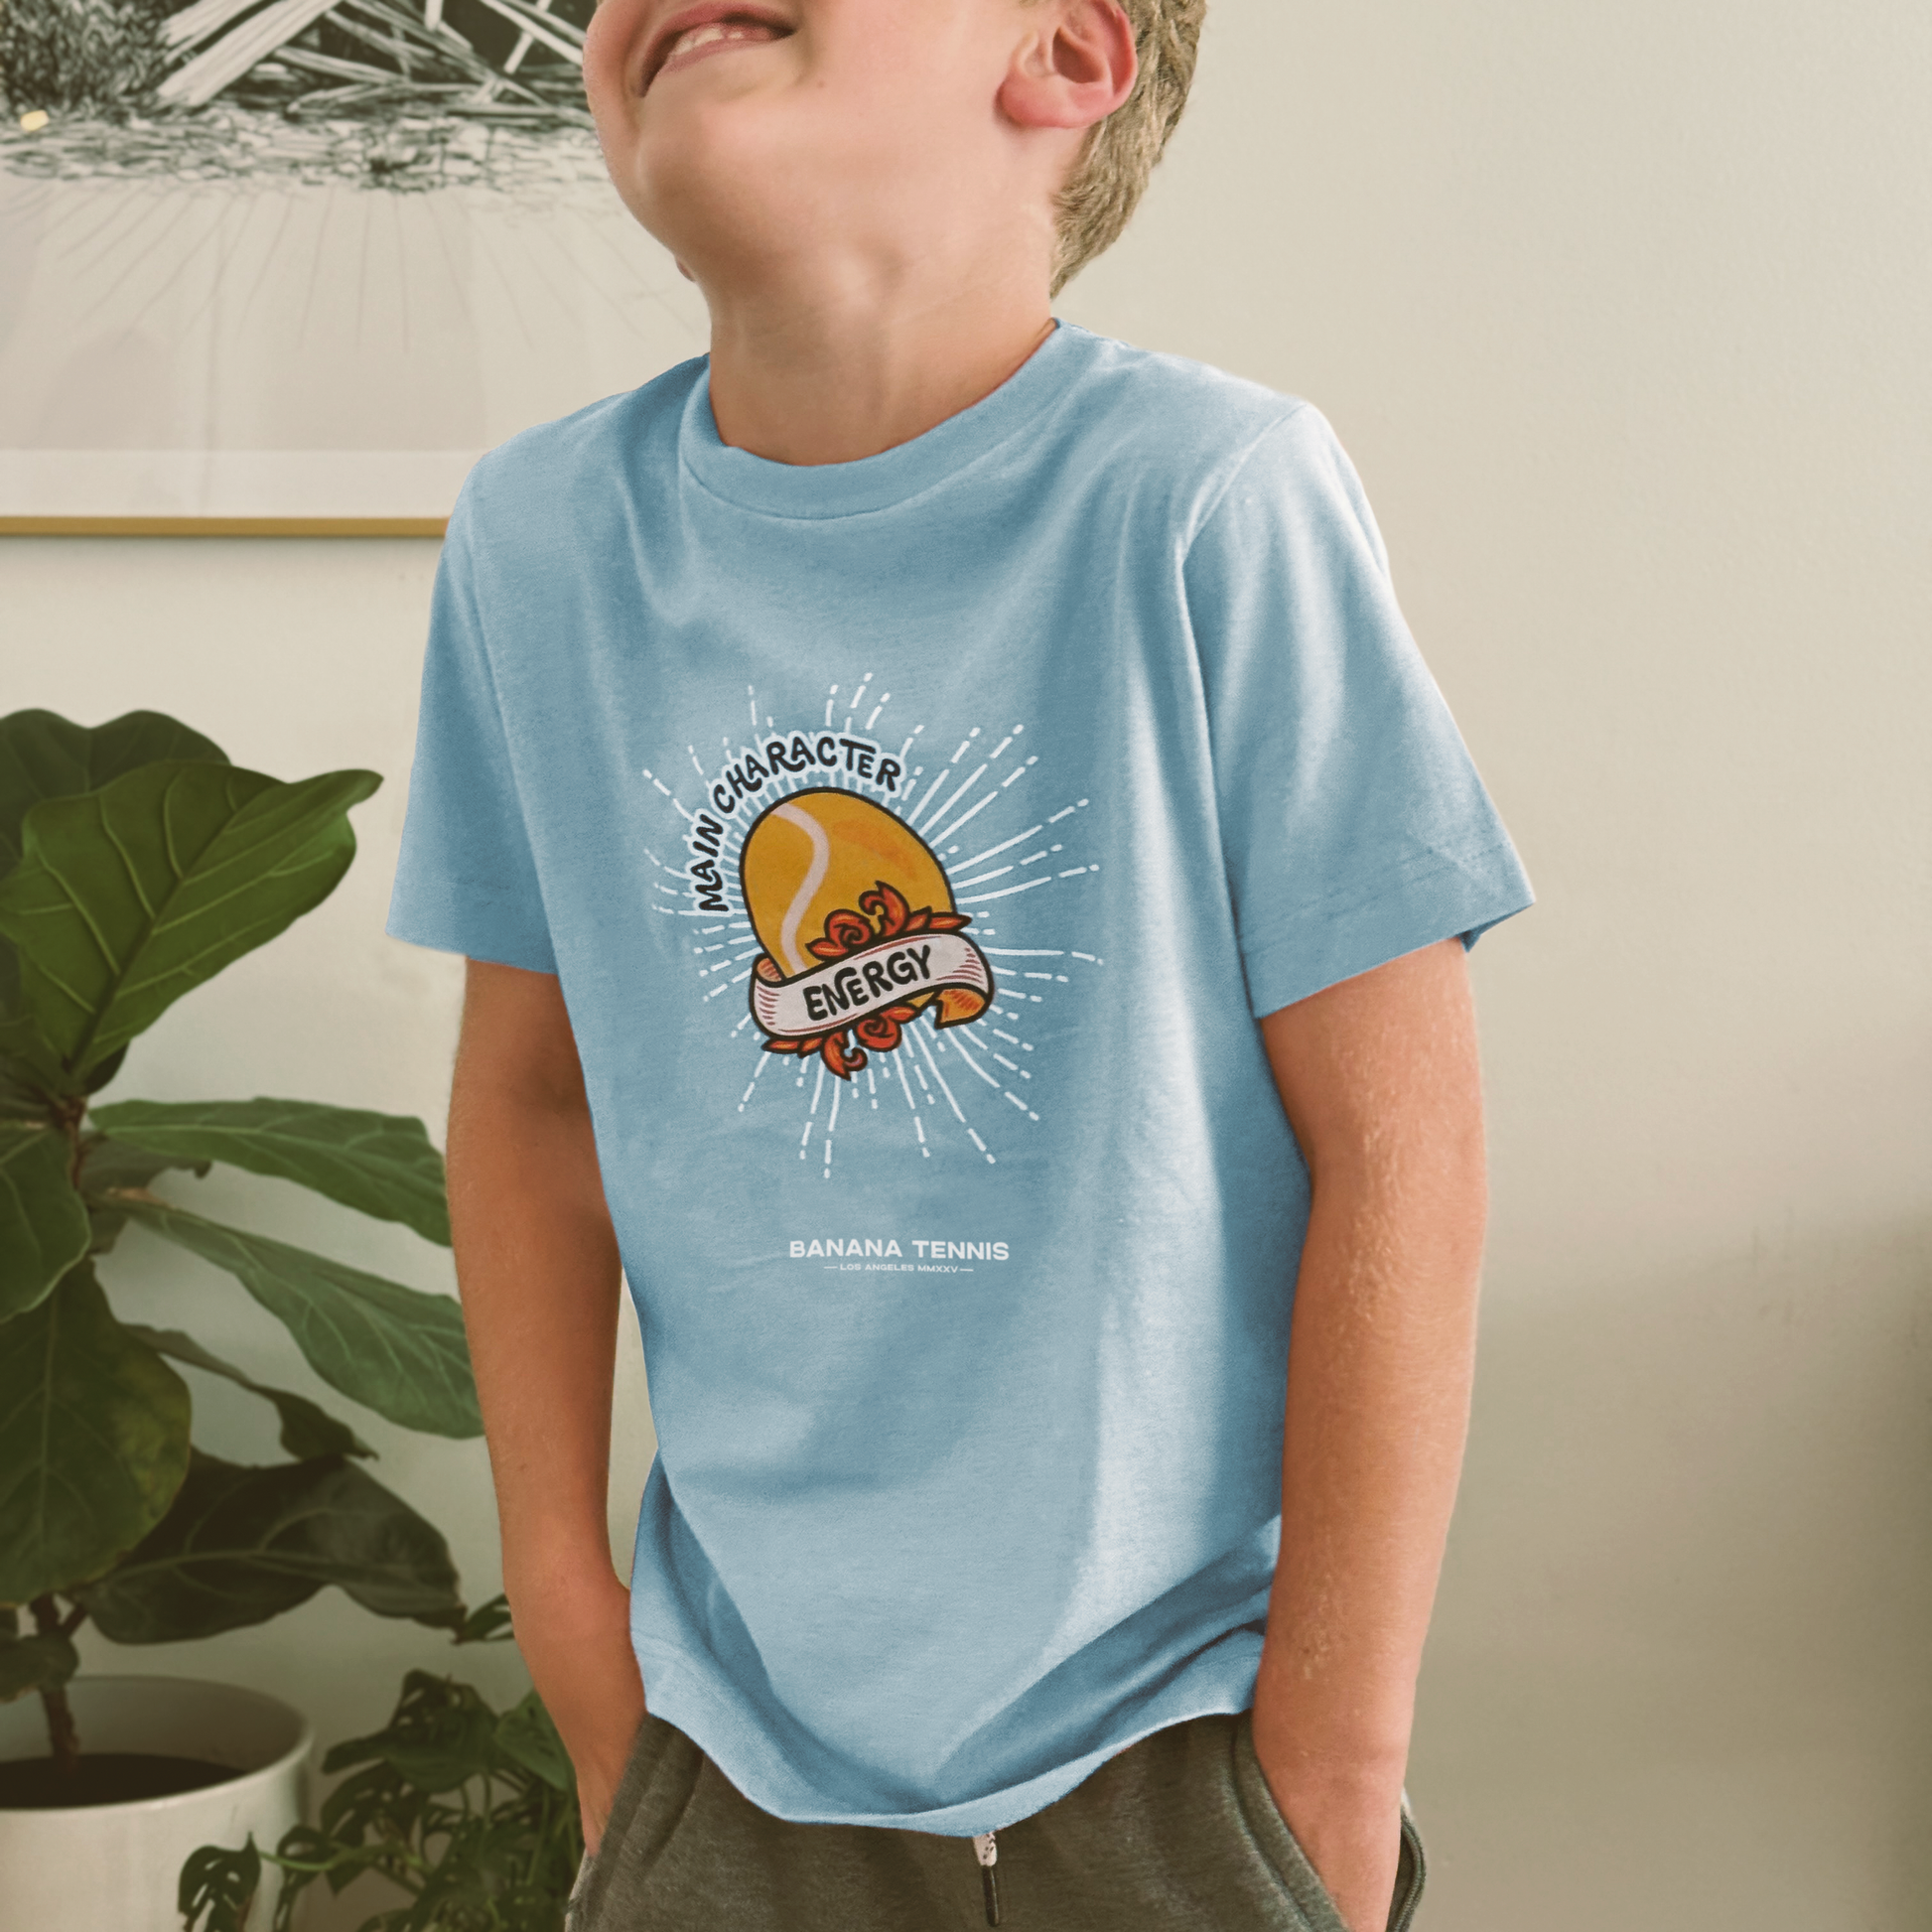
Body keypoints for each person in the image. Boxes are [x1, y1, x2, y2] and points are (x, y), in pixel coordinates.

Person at [383, 3, 1534, 1928]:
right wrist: (572, 1623)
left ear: (1067, 57)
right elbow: (528, 1105)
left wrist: (1329, 1755)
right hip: (718, 1745)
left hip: (1180, 1745)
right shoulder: (535, 542)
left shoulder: (1212, 496)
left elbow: (1404, 1154)